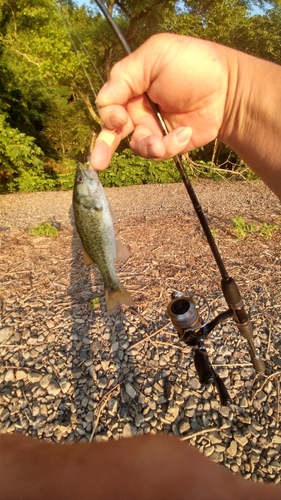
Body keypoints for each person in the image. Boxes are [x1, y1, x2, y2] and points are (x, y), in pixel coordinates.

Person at [0, 33, 280, 500]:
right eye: (81, 181)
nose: (83, 177)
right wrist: (230, 91)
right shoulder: (90, 199)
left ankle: (113, 286)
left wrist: (232, 91)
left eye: (82, 180)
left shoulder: (89, 196)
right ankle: (113, 285)